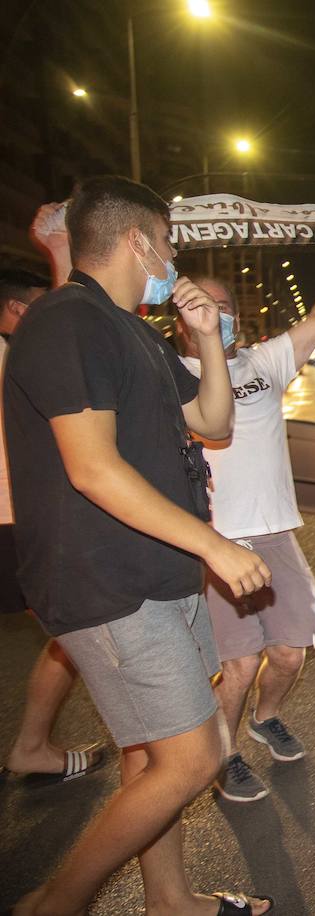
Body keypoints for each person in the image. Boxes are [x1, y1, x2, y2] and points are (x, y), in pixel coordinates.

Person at [5, 176, 273, 916]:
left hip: (157, 574)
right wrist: (214, 546)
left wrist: (208, 340)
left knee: (151, 755)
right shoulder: (69, 322)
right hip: (108, 582)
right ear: (139, 240)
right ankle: (55, 903)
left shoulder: (133, 332)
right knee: (195, 756)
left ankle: (170, 901)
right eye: (169, 240)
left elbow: (213, 422)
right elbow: (91, 469)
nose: (173, 255)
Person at [174, 249, 315, 801]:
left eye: (224, 305)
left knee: (289, 651)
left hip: (276, 535)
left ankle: (267, 717)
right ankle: (225, 755)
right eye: (202, 305)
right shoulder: (169, 377)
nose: (216, 314)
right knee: (238, 664)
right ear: (181, 320)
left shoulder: (263, 363)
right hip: (216, 543)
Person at [2, 261, 109, 787]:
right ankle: (31, 747)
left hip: (19, 518)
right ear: (19, 311)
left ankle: (32, 746)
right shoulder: (19, 356)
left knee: (70, 630)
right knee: (74, 626)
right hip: (17, 521)